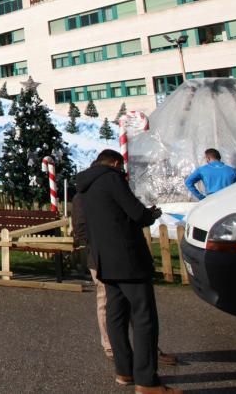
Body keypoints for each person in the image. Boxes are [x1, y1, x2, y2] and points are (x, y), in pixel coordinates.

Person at [76, 149, 181, 394]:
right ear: (115, 163)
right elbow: (135, 212)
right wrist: (150, 215)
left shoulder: (85, 187)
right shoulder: (112, 178)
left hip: (104, 260)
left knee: (116, 315)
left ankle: (124, 370)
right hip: (127, 259)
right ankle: (147, 381)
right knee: (144, 317)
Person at [72, 192, 176, 367]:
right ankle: (112, 349)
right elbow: (81, 230)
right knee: (107, 301)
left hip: (126, 258)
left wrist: (145, 216)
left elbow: (128, 219)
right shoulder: (83, 197)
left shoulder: (117, 191)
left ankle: (148, 350)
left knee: (137, 305)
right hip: (101, 258)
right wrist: (105, 244)